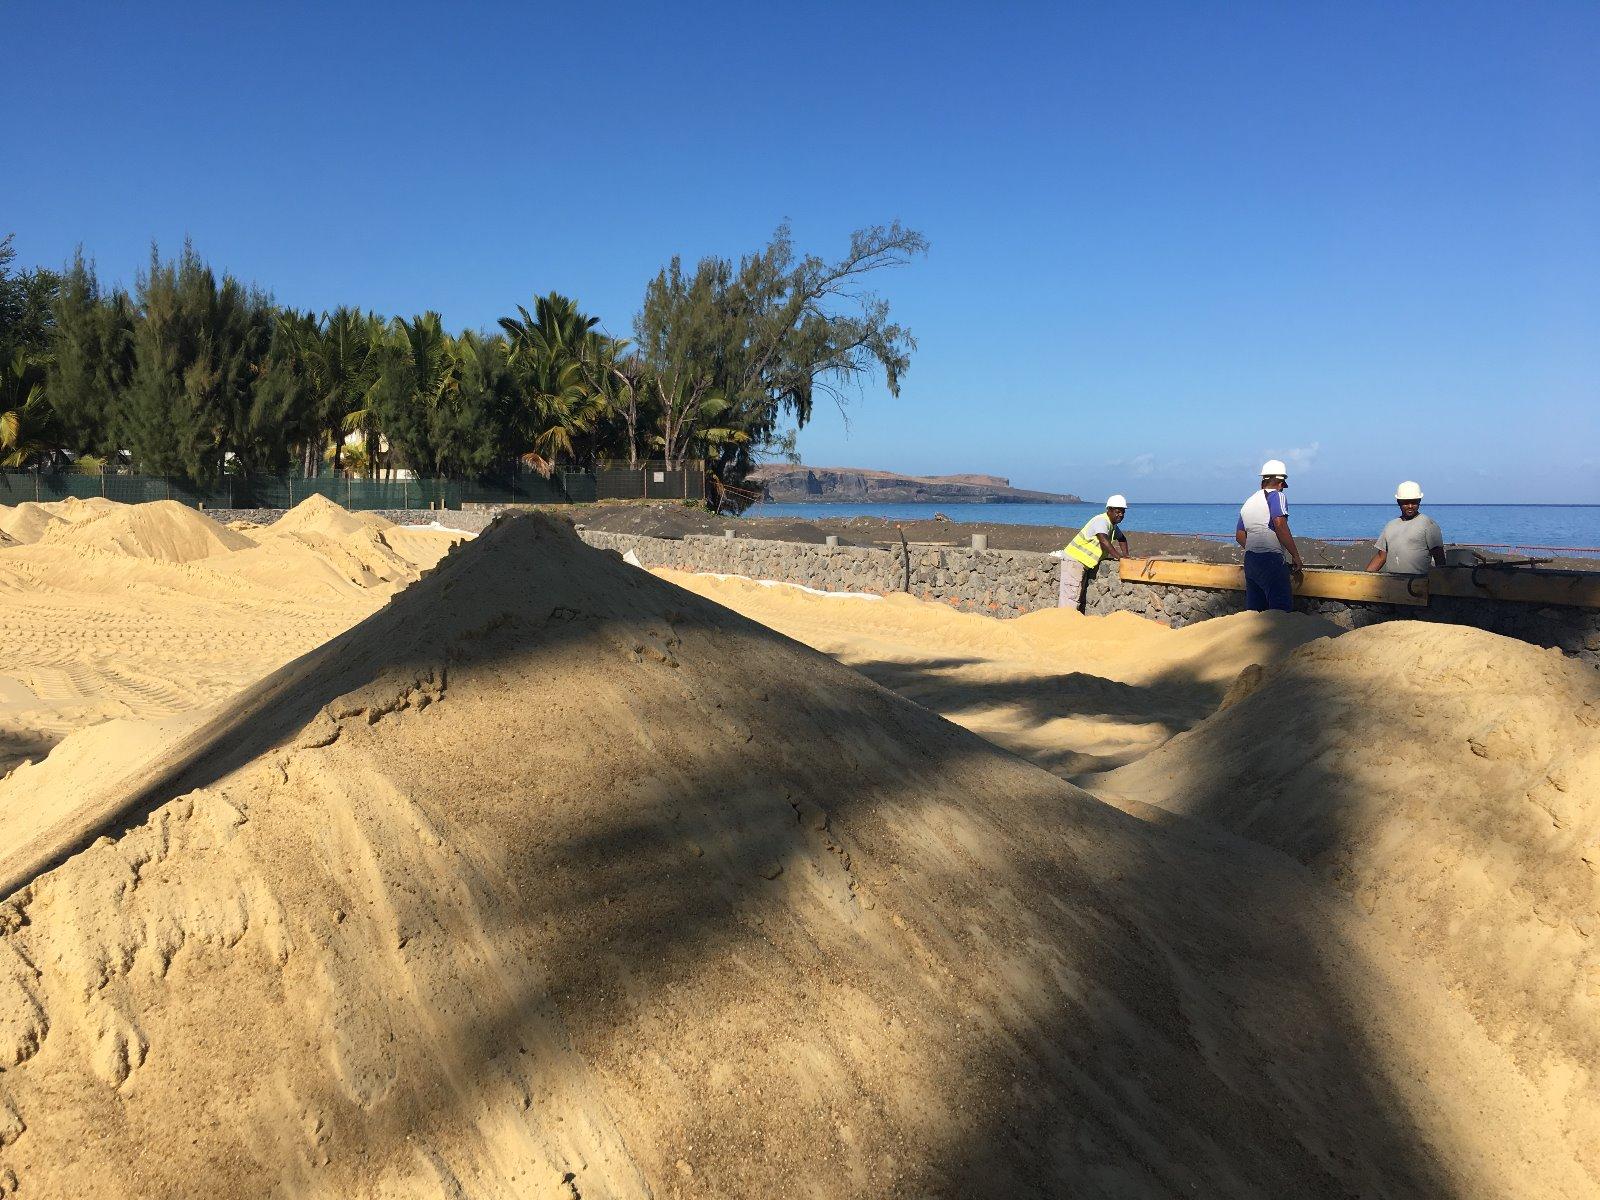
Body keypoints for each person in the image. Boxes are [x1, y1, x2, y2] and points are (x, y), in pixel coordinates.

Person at [1235, 460, 1304, 612]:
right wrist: (1295, 555)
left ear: (1263, 481)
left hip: (1250, 560)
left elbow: (1239, 535)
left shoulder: (1249, 502)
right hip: (1271, 559)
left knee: (1254, 612)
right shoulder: (1277, 496)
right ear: (1280, 483)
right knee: (1280, 611)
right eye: (1283, 486)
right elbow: (1280, 524)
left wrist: (1255, 549)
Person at [1060, 495, 1130, 611]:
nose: (1121, 515)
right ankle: (1063, 625)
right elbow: (1104, 541)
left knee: (1076, 596)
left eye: (1123, 512)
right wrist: (1119, 557)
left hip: (1081, 562)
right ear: (1109, 510)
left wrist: (1126, 555)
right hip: (1074, 560)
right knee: (1070, 598)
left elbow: (1122, 538)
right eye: (1118, 512)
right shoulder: (1101, 521)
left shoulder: (1112, 526)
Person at [1366, 481, 1445, 574]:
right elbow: (1381, 556)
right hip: (1392, 583)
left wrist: (1441, 582)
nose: (1410, 506)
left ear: (1419, 501)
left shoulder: (1428, 524)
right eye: (1406, 502)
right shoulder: (1390, 526)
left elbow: (1439, 558)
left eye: (1414, 502)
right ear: (1398, 502)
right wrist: (1363, 578)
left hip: (1420, 584)